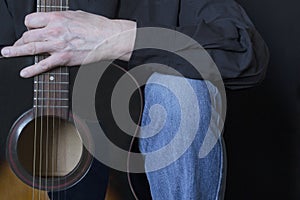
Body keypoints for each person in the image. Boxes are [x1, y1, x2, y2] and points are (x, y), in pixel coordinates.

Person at [0, 0, 269, 199]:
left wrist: (118, 37)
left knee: (179, 90)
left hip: (141, 178)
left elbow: (245, 51)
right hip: (31, 175)